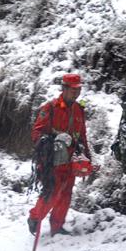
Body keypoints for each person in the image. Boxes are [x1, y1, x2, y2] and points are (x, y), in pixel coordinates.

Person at [27, 73, 92, 237]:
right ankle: (35, 218)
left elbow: (82, 135)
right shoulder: (50, 108)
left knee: (66, 194)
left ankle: (57, 227)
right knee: (52, 191)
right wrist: (51, 140)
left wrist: (87, 155)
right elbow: (36, 133)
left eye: (78, 90)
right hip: (52, 160)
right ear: (64, 88)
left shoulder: (79, 110)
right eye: (73, 90)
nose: (76, 93)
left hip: (71, 160)